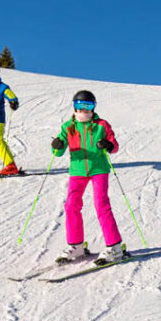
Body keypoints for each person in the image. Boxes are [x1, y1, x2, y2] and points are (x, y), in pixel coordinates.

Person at [50, 90, 127, 265]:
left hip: (98, 169)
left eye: (88, 106)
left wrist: (108, 145)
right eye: (80, 106)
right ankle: (76, 245)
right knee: (71, 205)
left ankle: (114, 247)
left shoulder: (102, 125)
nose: (84, 110)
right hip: (77, 170)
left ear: (93, 108)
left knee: (101, 204)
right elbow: (58, 152)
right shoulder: (67, 127)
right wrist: (57, 145)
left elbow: (114, 146)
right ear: (74, 107)